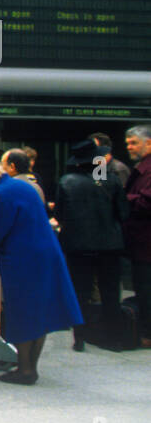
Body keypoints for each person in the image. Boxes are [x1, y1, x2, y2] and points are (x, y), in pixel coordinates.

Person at [0, 159, 83, 384]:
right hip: (47, 253)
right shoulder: (23, 186)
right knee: (39, 313)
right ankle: (31, 367)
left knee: (22, 313)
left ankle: (25, 370)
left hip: (22, 258)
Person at [54, 139, 128, 351]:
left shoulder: (67, 181)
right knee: (110, 292)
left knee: (80, 292)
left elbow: (60, 215)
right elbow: (123, 213)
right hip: (109, 245)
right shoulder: (109, 180)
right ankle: (114, 338)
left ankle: (80, 338)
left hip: (78, 245)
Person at [124, 123, 151, 348]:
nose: (129, 147)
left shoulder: (103, 167)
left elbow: (144, 202)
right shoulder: (134, 168)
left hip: (143, 242)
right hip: (137, 242)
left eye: (133, 143)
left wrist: (126, 198)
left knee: (145, 288)